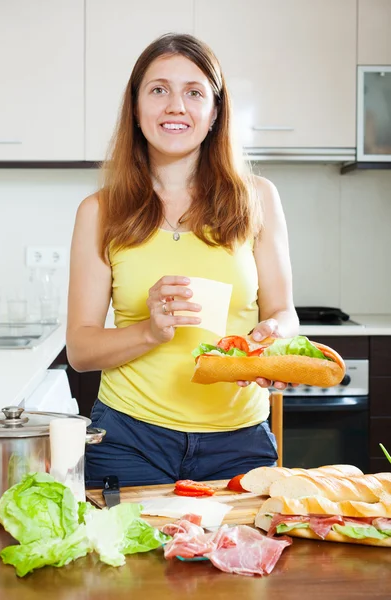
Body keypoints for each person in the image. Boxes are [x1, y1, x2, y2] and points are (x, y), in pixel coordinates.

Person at [67, 33, 299, 488]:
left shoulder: (258, 199)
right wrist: (150, 330)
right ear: (135, 109)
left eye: (194, 92)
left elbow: (283, 313)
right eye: (159, 90)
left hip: (239, 440)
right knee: (129, 560)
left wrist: (273, 338)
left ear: (215, 113)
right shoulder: (99, 211)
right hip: (128, 438)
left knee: (238, 560)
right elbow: (80, 350)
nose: (177, 106)